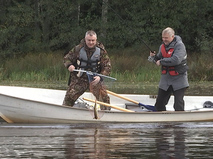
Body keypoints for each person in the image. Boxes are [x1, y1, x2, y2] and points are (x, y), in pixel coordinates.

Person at [63, 30, 111, 110]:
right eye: (89, 40)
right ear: (85, 39)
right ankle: (64, 111)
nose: (91, 42)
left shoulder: (101, 51)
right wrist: (69, 65)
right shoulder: (78, 49)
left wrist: (100, 77)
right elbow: (66, 58)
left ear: (96, 40)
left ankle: (107, 114)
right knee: (70, 96)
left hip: (95, 79)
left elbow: (107, 66)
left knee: (104, 98)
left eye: (93, 40)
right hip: (79, 79)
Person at [148, 27, 189, 111]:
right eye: (163, 38)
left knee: (178, 103)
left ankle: (179, 121)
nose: (164, 40)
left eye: (166, 38)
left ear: (172, 36)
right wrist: (152, 57)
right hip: (166, 80)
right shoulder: (162, 46)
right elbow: (158, 59)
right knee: (159, 103)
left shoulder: (180, 46)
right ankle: (161, 121)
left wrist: (161, 61)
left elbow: (176, 60)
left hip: (179, 79)